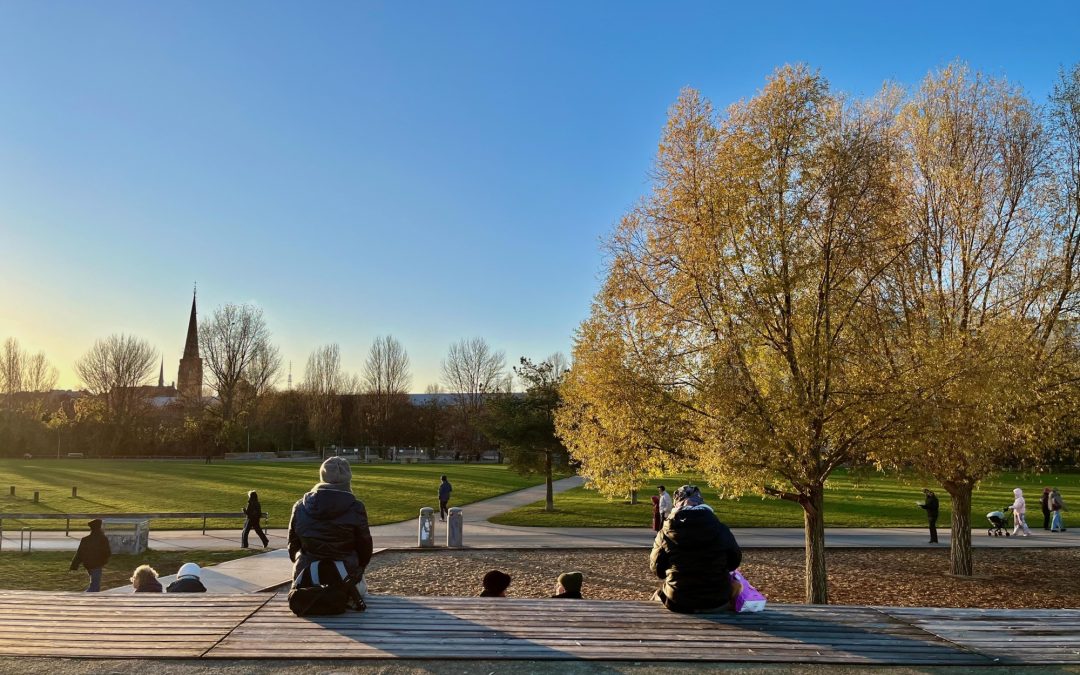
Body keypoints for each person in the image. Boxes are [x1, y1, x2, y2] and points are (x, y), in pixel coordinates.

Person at [287, 457, 373, 600]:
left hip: (307, 577)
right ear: (347, 480)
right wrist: (358, 569)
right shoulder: (356, 507)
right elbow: (365, 548)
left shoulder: (300, 506)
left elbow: (292, 546)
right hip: (345, 577)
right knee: (361, 590)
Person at [650, 485, 742, 613]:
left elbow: (657, 570)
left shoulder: (665, 533)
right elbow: (734, 562)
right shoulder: (721, 529)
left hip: (678, 601)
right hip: (717, 600)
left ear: (676, 505)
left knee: (657, 595)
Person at [69, 518, 111, 592]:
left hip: (88, 565)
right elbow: (107, 552)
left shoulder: (85, 539)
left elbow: (79, 553)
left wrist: (74, 566)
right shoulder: (103, 539)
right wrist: (104, 561)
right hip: (97, 565)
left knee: (95, 585)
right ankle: (83, 597)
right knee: (95, 587)